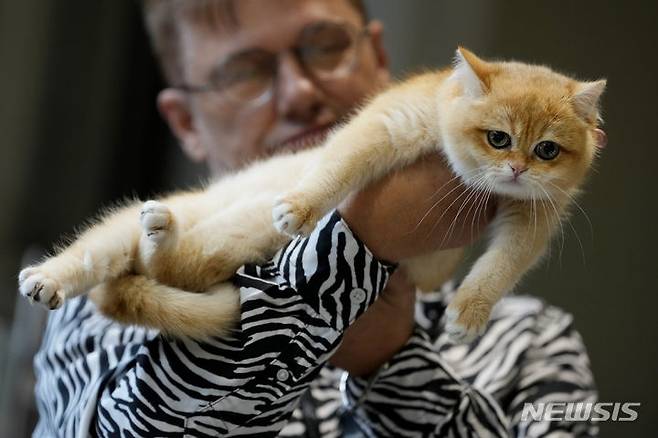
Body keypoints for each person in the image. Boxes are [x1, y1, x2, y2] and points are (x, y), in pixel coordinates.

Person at [32, 0, 598, 436]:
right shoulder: (93, 298)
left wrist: (390, 357)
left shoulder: (530, 341)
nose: (300, 91)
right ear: (185, 124)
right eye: (243, 73)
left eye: (325, 46)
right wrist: (354, 249)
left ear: (379, 58)